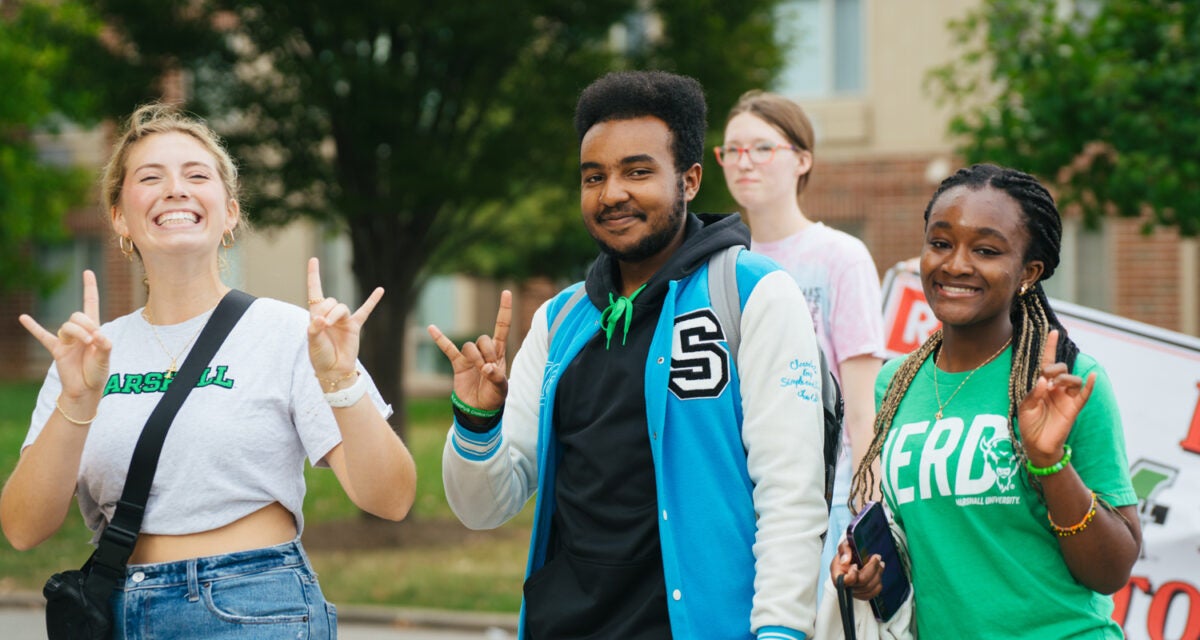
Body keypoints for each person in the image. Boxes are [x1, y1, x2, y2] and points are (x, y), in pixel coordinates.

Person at [429, 71, 827, 639]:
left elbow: (790, 493)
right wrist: (476, 422)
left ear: (689, 179)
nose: (612, 193)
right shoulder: (559, 322)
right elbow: (482, 509)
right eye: (595, 176)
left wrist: (781, 630)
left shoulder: (751, 294)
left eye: (637, 171)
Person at [0, 103, 417, 638]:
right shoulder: (87, 353)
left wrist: (341, 380)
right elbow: (23, 529)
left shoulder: (292, 334)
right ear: (120, 218)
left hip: (257, 606)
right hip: (118, 607)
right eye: (151, 177)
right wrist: (76, 402)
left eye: (197, 175)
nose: (175, 188)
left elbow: (392, 498)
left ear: (230, 213)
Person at [834, 163, 1141, 637]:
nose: (955, 264)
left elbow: (1111, 571)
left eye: (986, 250)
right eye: (940, 243)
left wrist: (1050, 462)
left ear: (1028, 272)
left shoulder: (1069, 382)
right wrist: (873, 574)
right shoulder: (894, 382)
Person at [719, 90, 885, 588]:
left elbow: (862, 408)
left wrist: (864, 515)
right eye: (732, 151)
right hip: (736, 500)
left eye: (762, 148)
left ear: (802, 160)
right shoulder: (719, 264)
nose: (744, 163)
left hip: (822, 503)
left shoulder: (840, 257)